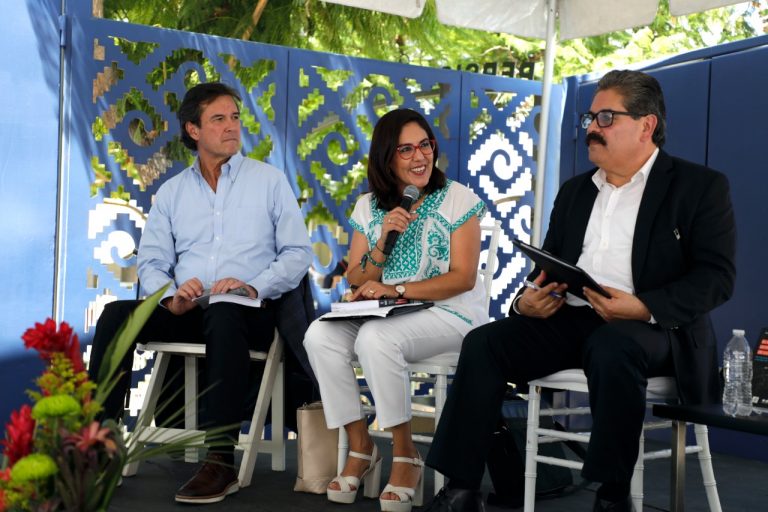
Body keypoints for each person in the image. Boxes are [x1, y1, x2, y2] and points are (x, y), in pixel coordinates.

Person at [422, 69, 737, 512]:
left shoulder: (699, 187)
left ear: (646, 125)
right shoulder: (574, 191)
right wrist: (526, 300)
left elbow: (716, 277)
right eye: (590, 117)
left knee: (614, 347)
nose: (591, 127)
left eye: (606, 118)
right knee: (484, 343)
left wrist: (642, 306)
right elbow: (549, 267)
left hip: (655, 328)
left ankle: (611, 496)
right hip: (571, 318)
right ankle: (461, 488)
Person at [87, 82, 312, 504]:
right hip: (189, 309)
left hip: (250, 311)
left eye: (235, 118)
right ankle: (99, 445)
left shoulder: (268, 181)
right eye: (219, 119)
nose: (232, 127)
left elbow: (298, 254)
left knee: (225, 308)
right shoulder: (172, 192)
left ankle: (220, 461)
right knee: (117, 315)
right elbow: (151, 261)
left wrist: (252, 285)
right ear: (193, 130)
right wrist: (171, 295)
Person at [303, 108, 489, 512]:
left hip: (451, 314)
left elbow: (463, 278)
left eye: (425, 144)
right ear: (387, 158)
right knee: (318, 334)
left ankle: (406, 456)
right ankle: (361, 446)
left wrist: (396, 289)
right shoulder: (369, 207)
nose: (420, 156)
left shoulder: (458, 198)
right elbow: (356, 276)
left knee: (375, 338)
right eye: (405, 149)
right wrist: (383, 240)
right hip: (390, 313)